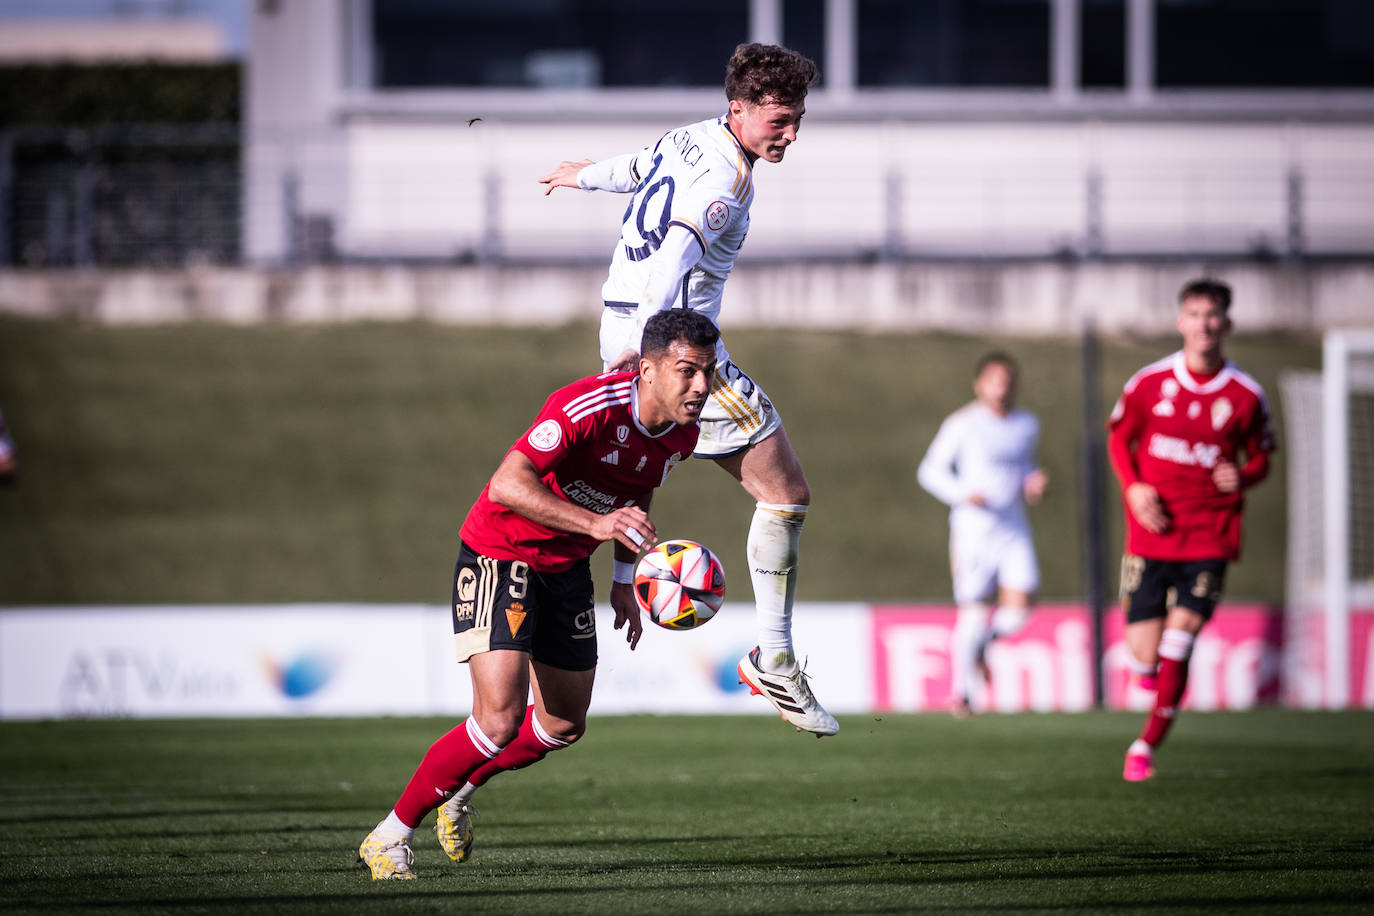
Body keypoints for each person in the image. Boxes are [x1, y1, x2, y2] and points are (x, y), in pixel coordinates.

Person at [538, 42, 837, 737]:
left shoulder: (690, 137)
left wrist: (584, 177)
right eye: (781, 120)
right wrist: (655, 365)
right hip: (670, 345)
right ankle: (776, 659)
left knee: (618, 471)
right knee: (786, 494)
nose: (791, 133)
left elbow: (638, 168)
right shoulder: (726, 186)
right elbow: (672, 261)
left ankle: (577, 580)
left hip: (623, 331)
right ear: (741, 108)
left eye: (797, 120)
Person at [358, 310, 719, 879]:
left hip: (568, 567)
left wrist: (625, 580)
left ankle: (459, 792)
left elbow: (637, 495)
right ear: (647, 370)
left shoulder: (683, 434)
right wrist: (594, 525)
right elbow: (506, 483)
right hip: (501, 552)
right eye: (688, 371)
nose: (701, 386)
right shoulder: (586, 407)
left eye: (708, 372)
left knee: (562, 725)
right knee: (498, 721)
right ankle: (390, 835)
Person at [1107, 278, 1275, 782]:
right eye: (1195, 314)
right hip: (1151, 534)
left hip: (1209, 535)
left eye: (1213, 315)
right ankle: (1148, 675)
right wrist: (1134, 488)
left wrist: (1243, 475)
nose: (1204, 324)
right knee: (1144, 653)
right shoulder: (1149, 383)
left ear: (1227, 323)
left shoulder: (1245, 395)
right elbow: (1119, 440)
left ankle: (1144, 747)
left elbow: (1263, 456)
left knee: (1179, 642)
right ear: (1181, 321)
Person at [917, 352, 1048, 717]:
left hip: (1013, 527)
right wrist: (963, 493)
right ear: (979, 385)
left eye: (1006, 381)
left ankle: (982, 646)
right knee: (973, 610)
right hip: (974, 530)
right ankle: (961, 694)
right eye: (994, 380)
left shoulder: (1026, 424)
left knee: (1022, 609)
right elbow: (929, 471)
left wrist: (1032, 482)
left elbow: (1023, 466)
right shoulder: (963, 424)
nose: (1000, 388)